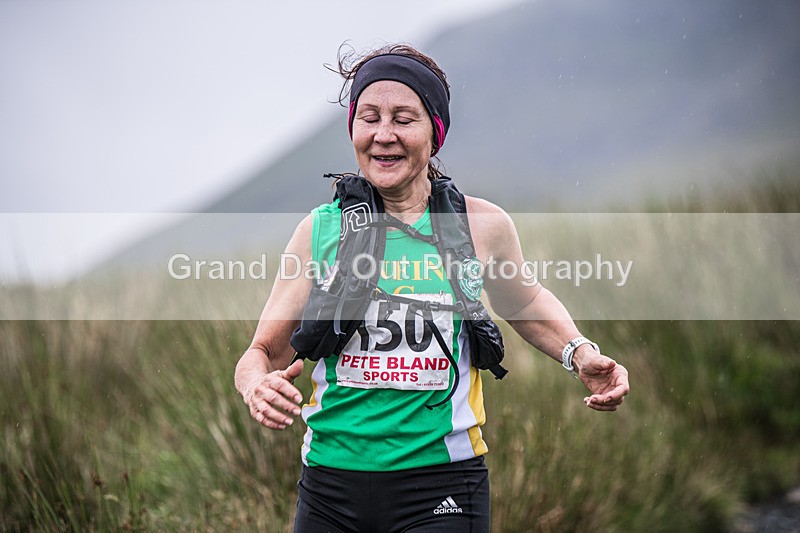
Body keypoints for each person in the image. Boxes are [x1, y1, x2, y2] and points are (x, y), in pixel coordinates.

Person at [234, 43, 630, 532]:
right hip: (330, 489)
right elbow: (261, 352)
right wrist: (256, 386)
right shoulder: (319, 231)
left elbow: (524, 300)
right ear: (353, 130)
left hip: (442, 486)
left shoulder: (479, 226)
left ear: (435, 133)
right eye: (369, 117)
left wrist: (579, 353)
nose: (384, 135)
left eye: (404, 119)